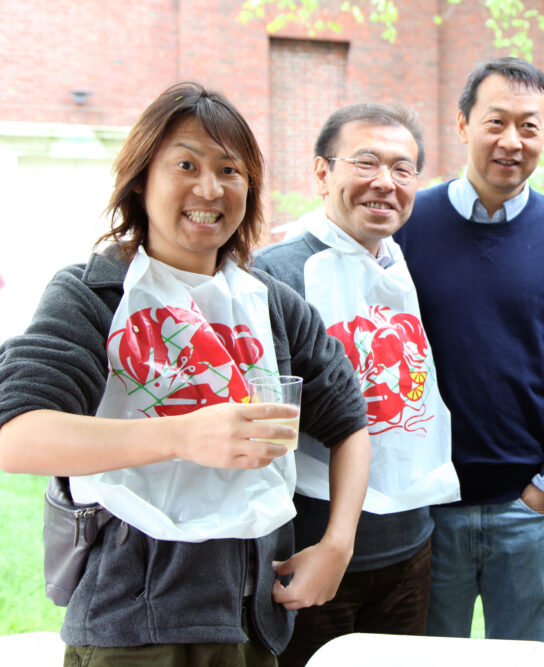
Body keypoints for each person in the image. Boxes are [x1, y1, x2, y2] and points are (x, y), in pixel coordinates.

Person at [0, 82, 372, 665]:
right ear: (142, 178)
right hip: (130, 623)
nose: (209, 188)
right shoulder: (91, 294)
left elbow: (350, 419)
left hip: (253, 619)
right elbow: (16, 436)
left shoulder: (270, 302)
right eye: (185, 164)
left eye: (230, 169)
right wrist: (182, 435)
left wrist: (338, 544)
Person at [394, 57, 544, 644]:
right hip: (429, 507)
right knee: (427, 659)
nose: (511, 141)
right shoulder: (408, 225)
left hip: (529, 508)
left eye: (529, 126)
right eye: (495, 122)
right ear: (463, 125)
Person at [254, 103, 459, 667]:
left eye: (403, 169)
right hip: (311, 553)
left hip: (409, 548)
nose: (385, 183)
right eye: (365, 162)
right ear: (322, 173)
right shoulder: (274, 274)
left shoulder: (400, 263)